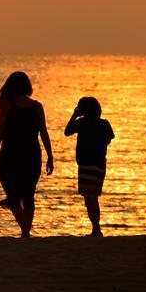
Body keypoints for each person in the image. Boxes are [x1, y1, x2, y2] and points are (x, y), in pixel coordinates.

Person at [0, 71, 54, 237]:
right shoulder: (37, 106)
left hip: (10, 155)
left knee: (13, 195)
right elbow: (44, 134)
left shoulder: (7, 103)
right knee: (28, 195)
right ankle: (26, 231)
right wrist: (50, 156)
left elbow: (1, 129)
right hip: (32, 155)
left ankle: (25, 231)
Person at [64, 96, 115, 236]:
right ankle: (96, 228)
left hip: (86, 165)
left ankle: (96, 229)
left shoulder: (81, 122)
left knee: (89, 199)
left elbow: (67, 131)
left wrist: (74, 115)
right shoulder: (104, 124)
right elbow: (109, 139)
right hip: (99, 165)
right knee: (93, 197)